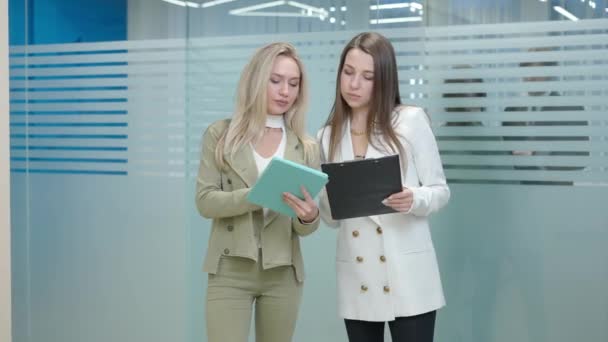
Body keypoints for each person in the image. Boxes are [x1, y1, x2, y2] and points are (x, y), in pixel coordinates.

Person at [317, 32, 450, 342]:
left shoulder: (411, 121)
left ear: (385, 80)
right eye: (348, 73)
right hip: (358, 276)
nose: (353, 84)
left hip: (409, 274)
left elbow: (440, 190)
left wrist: (413, 198)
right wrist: (316, 205)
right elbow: (332, 218)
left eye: (367, 77)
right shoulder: (326, 136)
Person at [195, 42, 321, 342]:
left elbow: (305, 227)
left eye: (293, 84)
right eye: (275, 81)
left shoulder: (306, 146)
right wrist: (255, 195)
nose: (285, 91)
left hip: (283, 273)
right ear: (255, 80)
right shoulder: (220, 135)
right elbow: (204, 202)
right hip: (230, 269)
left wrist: (309, 217)